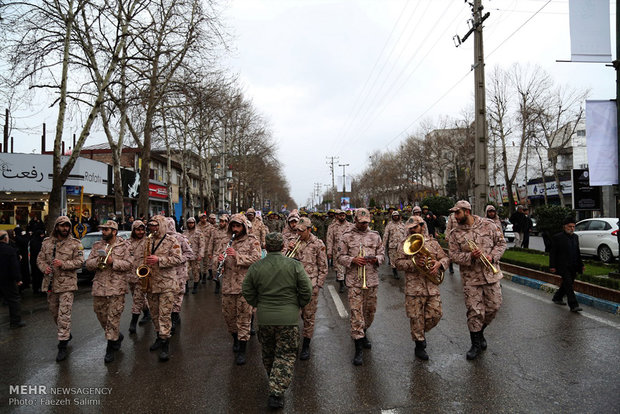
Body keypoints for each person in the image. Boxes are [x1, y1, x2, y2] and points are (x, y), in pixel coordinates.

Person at [242, 232, 313, 409]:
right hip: (288, 318)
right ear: (283, 247)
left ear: (265, 247)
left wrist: (258, 304)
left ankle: (274, 381)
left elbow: (247, 290)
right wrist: (297, 305)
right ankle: (276, 392)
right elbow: (307, 290)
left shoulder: (256, 267)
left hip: (264, 318)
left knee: (268, 352)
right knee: (286, 354)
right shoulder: (294, 265)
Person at [447, 200, 506, 360]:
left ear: (467, 211)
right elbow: (453, 255)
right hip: (471, 279)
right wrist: (469, 256)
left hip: (491, 276)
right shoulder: (455, 234)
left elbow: (501, 244)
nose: (455, 216)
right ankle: (475, 344)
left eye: (457, 213)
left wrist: (492, 257)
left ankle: (480, 332)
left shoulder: (489, 225)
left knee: (494, 307)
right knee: (474, 312)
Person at [395, 216, 448, 360]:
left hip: (432, 287)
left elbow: (445, 258)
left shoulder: (433, 243)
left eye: (415, 227)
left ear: (422, 226)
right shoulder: (403, 244)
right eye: (410, 228)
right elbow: (398, 263)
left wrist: (439, 264)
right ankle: (419, 344)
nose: (412, 230)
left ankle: (420, 333)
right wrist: (414, 264)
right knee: (415, 317)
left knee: (436, 315)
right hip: (414, 288)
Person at [338, 208, 384, 365]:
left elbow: (382, 255)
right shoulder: (346, 236)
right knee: (357, 313)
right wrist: (352, 260)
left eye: (366, 223)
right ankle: (358, 347)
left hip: (371, 280)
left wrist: (376, 259)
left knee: (369, 312)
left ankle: (364, 332)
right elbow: (340, 257)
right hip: (354, 281)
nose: (364, 225)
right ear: (355, 220)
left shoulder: (375, 236)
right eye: (361, 222)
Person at [37, 216, 84, 362]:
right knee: (54, 313)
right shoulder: (46, 242)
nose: (65, 228)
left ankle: (62, 345)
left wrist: (63, 263)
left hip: (67, 285)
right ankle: (66, 332)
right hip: (50, 284)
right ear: (56, 226)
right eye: (62, 226)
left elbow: (80, 261)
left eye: (67, 226)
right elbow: (40, 259)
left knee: (64, 314)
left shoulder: (75, 244)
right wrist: (44, 268)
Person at [85, 220, 132, 363]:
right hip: (99, 287)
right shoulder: (97, 246)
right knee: (101, 315)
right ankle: (117, 335)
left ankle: (110, 348)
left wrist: (113, 262)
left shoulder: (124, 246)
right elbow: (88, 264)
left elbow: (129, 264)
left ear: (114, 231)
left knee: (113, 318)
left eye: (106, 230)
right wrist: (99, 261)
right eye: (102, 229)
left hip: (116, 287)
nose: (103, 232)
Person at [217, 213, 262, 365]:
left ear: (244, 226)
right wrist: (218, 262)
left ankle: (242, 348)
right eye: (233, 226)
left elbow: (257, 259)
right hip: (228, 286)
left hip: (245, 286)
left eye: (238, 226)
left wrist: (237, 256)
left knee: (244, 319)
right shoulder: (225, 240)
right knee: (229, 317)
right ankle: (235, 338)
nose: (235, 229)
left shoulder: (252, 241)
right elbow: (215, 258)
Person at [284, 217, 328, 360]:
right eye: (297, 230)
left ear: (309, 230)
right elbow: (282, 262)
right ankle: (292, 343)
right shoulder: (291, 241)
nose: (298, 233)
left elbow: (323, 267)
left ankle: (306, 345)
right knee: (291, 317)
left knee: (309, 317)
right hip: (292, 286)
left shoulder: (318, 244)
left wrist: (318, 285)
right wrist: (286, 250)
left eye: (302, 231)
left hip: (310, 285)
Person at [143, 215, 184, 362]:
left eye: (155, 225)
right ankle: (159, 337)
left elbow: (178, 259)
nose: (152, 228)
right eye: (151, 225)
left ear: (161, 225)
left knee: (164, 315)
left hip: (167, 284)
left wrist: (159, 260)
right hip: (151, 283)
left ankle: (165, 343)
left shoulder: (172, 240)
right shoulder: (148, 240)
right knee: (154, 314)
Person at [550, 216, 585, 312]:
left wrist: (581, 265)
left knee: (568, 283)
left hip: (573, 265)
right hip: (562, 266)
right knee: (569, 285)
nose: (572, 228)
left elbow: (577, 252)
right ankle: (574, 305)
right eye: (570, 226)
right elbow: (553, 253)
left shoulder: (575, 237)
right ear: (565, 227)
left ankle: (557, 297)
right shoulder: (557, 237)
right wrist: (552, 266)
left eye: (573, 226)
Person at [166, 217, 193, 333]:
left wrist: (177, 259)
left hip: (179, 272)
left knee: (178, 294)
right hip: (166, 273)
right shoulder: (160, 239)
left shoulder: (181, 238)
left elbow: (189, 254)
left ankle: (175, 316)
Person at [126, 220, 151, 333]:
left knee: (137, 299)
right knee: (139, 298)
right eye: (138, 229)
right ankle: (147, 312)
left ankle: (133, 323)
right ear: (133, 230)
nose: (140, 232)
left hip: (142, 275)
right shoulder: (127, 242)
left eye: (142, 229)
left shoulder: (148, 241)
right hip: (130, 275)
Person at [0, 230, 26, 328]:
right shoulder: (10, 250)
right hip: (8, 279)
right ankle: (15, 322)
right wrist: (18, 279)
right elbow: (14, 266)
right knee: (14, 300)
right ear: (6, 238)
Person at [327, 209, 354, 293]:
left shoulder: (350, 226)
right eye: (340, 215)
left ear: (345, 216)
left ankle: (346, 281)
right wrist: (329, 252)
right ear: (337, 216)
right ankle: (341, 284)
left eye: (343, 215)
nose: (342, 217)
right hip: (337, 251)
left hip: (348, 251)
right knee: (339, 268)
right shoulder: (332, 226)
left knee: (348, 267)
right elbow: (329, 239)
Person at [209, 214, 230, 294]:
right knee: (214, 269)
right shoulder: (215, 231)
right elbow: (211, 242)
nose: (221, 223)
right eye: (220, 221)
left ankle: (226, 285)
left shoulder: (230, 231)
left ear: (226, 222)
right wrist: (209, 252)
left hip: (226, 253)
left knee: (228, 270)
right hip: (216, 252)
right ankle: (217, 283)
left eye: (223, 221)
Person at [383, 210, 407, 279]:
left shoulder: (402, 225)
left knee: (402, 259)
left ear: (399, 216)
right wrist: (383, 246)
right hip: (392, 245)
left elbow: (406, 235)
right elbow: (385, 235)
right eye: (394, 216)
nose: (395, 217)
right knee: (393, 260)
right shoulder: (389, 225)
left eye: (397, 216)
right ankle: (395, 272)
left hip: (401, 246)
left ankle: (402, 269)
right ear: (392, 217)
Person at [184, 217, 205, 294]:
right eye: (189, 223)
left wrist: (200, 254)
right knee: (185, 271)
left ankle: (195, 286)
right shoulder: (185, 233)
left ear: (194, 223)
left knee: (195, 271)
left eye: (192, 223)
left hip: (195, 255)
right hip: (186, 256)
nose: (190, 224)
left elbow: (202, 245)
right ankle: (186, 287)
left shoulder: (199, 233)